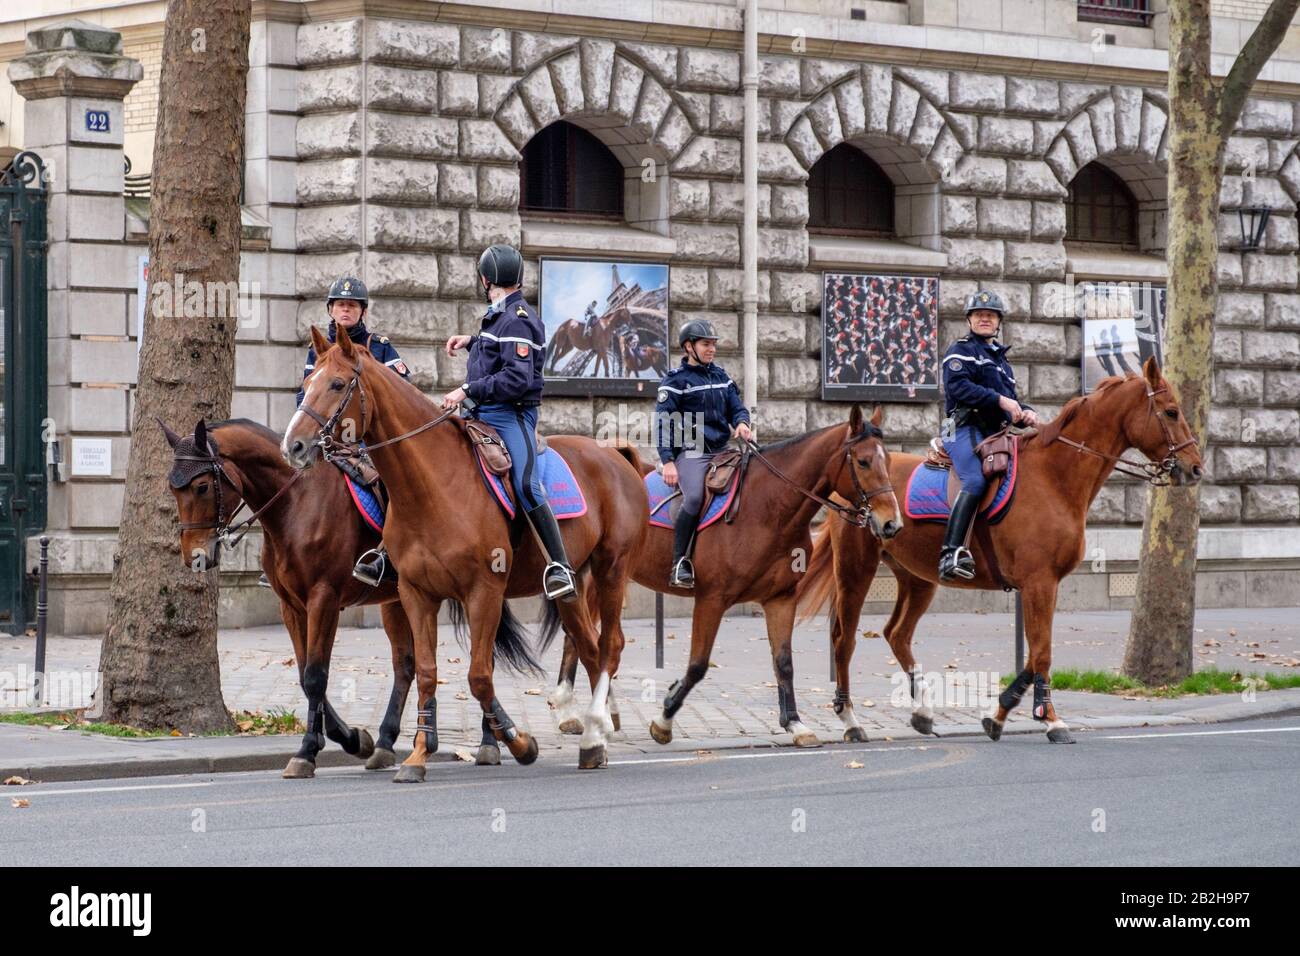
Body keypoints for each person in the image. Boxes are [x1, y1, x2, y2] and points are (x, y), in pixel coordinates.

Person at [442, 244, 578, 602]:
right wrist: (471, 342)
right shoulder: (499, 315)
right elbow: (497, 355)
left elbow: (516, 379)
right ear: (517, 277)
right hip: (478, 413)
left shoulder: (516, 316)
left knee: (525, 482)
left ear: (485, 279)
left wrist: (466, 388)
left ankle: (559, 565)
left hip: (510, 416)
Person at [289, 276, 411, 588]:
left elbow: (403, 390)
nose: (346, 310)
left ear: (363, 312)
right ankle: (284, 553)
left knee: (391, 484)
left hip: (369, 443)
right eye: (340, 304)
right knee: (290, 484)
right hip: (326, 439)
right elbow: (306, 396)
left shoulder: (378, 347)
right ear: (330, 309)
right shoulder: (318, 349)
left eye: (352, 305)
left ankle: (388, 552)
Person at [938, 290, 1039, 583]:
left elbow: (1011, 401)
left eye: (991, 315)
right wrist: (1000, 401)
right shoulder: (960, 350)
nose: (985, 318)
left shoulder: (1002, 364)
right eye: (979, 314)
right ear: (969, 320)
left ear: (998, 323)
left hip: (992, 433)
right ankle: (950, 553)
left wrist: (1025, 411)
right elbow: (958, 388)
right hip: (958, 427)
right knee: (974, 479)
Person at [654, 320, 753, 589]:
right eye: (706, 344)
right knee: (695, 496)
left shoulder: (723, 377)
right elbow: (663, 424)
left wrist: (743, 423)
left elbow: (737, 409)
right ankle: (680, 563)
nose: (712, 349)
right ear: (689, 347)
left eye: (714, 344)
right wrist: (668, 462)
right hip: (692, 451)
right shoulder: (675, 382)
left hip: (723, 450)